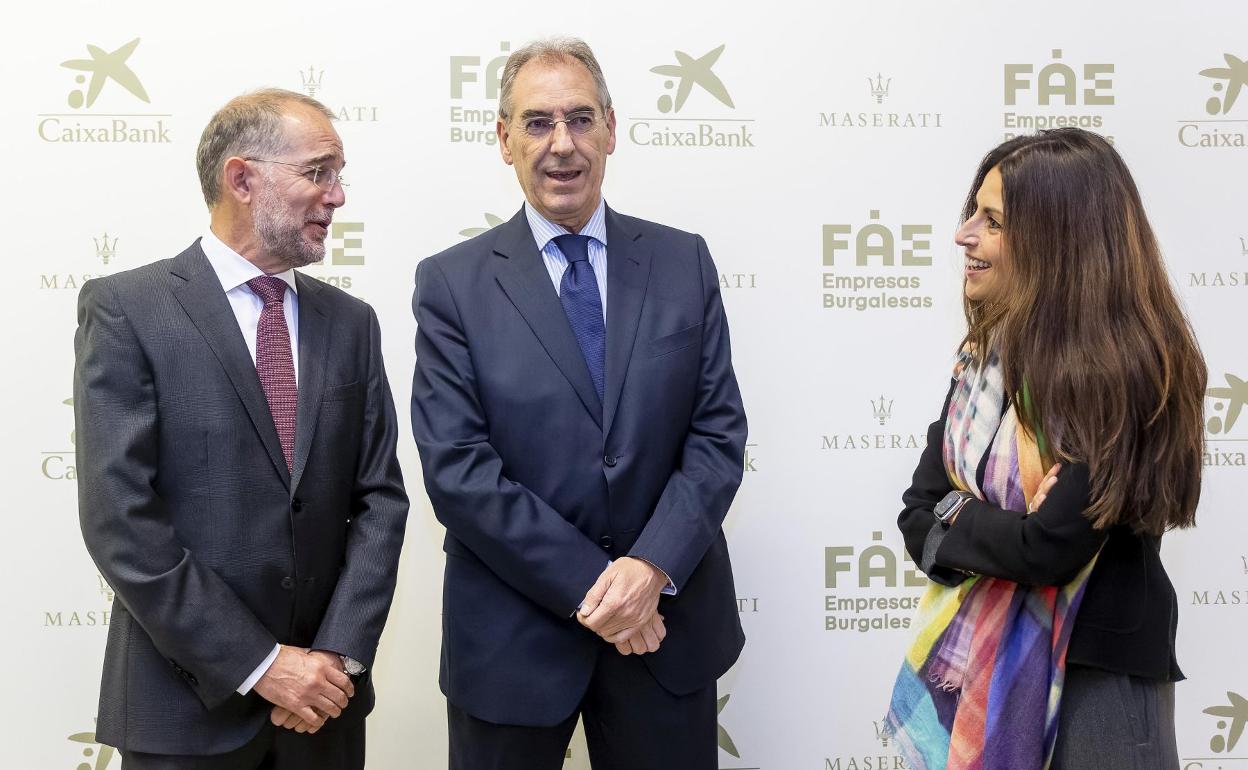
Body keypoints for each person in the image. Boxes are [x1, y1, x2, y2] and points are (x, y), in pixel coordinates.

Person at [411, 36, 748, 770]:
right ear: (503, 140)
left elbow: (717, 436)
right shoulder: (451, 285)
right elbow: (459, 471)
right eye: (536, 123)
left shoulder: (681, 260)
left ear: (612, 129)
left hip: (665, 635)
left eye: (580, 119)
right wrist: (603, 589)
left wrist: (651, 569)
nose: (561, 144)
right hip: (512, 645)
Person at [74, 88, 409, 770]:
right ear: (242, 179)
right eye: (319, 171)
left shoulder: (351, 323)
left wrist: (334, 659)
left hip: (323, 711)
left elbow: (380, 502)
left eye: (339, 175)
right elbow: (121, 522)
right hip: (183, 715)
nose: (337, 196)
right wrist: (259, 663)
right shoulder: (126, 310)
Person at [886, 128, 1205, 770]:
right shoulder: (985, 366)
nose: (963, 235)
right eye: (972, 212)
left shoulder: (1123, 374)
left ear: (1058, 243)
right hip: (985, 673)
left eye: (992, 221)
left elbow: (1050, 548)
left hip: (1099, 681)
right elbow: (917, 513)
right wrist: (976, 520)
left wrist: (958, 514)